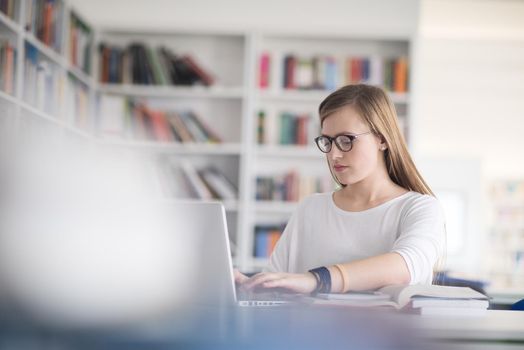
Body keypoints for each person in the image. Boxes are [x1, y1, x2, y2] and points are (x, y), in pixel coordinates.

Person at [236, 83, 445, 295]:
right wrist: (249, 287)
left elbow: (405, 267)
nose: (334, 154)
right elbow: (277, 286)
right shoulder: (311, 208)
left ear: (382, 138)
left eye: (346, 140)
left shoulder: (419, 208)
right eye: (327, 141)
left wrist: (317, 280)